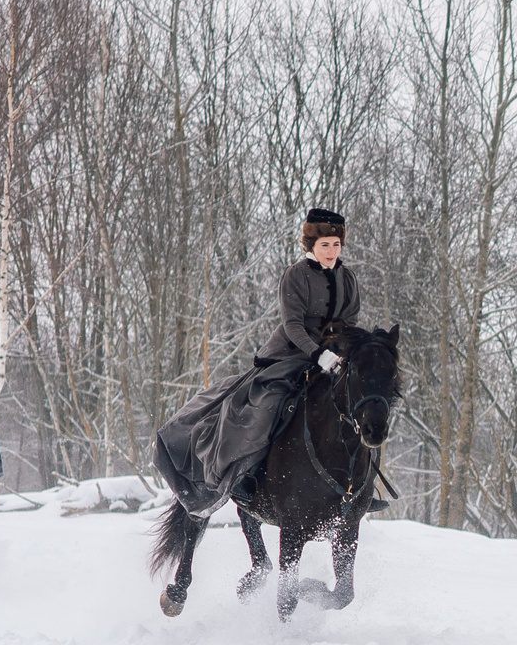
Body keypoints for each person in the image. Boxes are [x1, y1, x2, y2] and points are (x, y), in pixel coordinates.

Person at [154, 207, 363, 512]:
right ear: (311, 246)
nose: (331, 252)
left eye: (336, 245)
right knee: (263, 410)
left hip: (335, 359)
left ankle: (361, 485)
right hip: (291, 356)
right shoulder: (296, 275)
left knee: (362, 406)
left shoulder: (348, 277)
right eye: (325, 245)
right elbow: (292, 325)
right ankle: (246, 477)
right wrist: (318, 354)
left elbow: (351, 320)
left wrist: (343, 353)